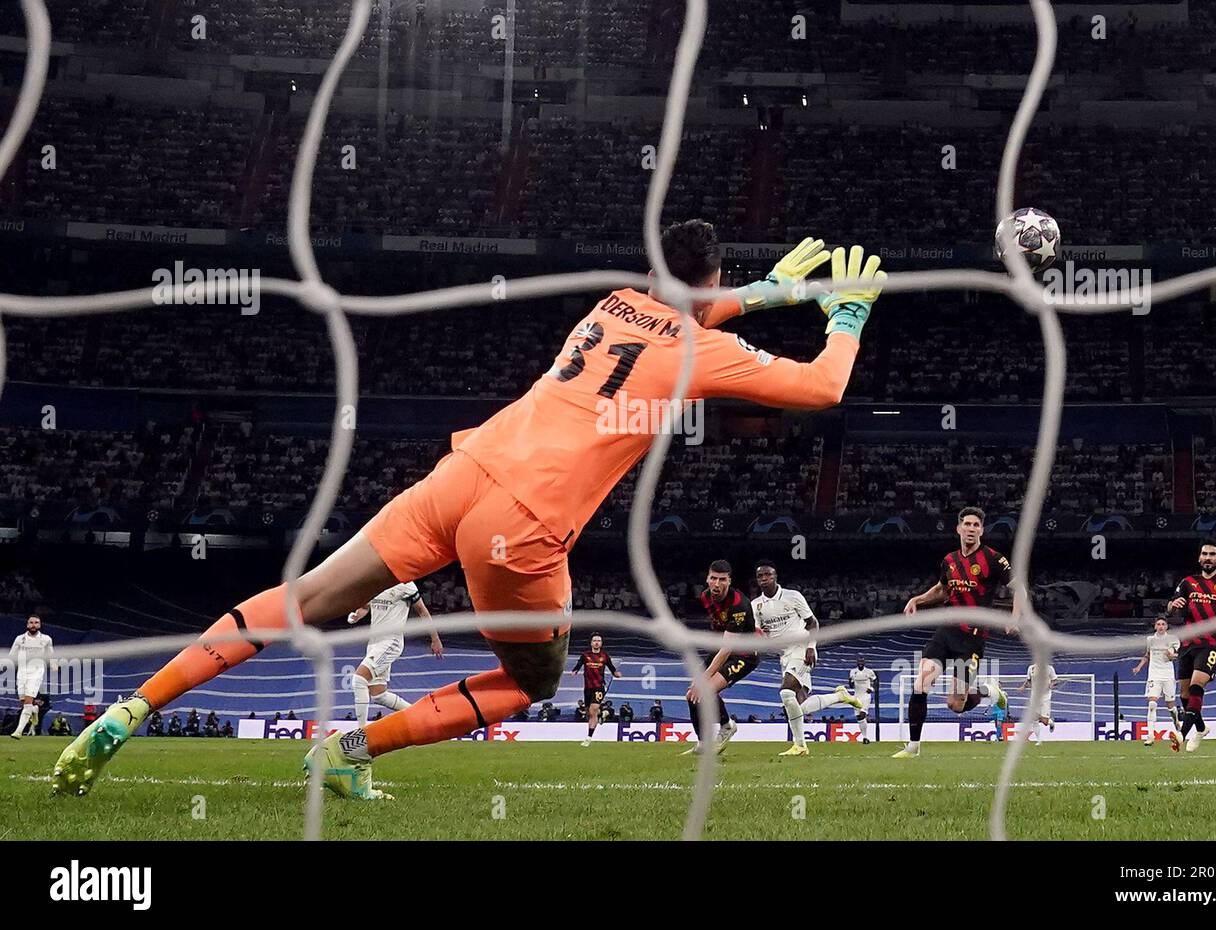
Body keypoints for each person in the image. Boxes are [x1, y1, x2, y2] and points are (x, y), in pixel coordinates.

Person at [52, 222, 886, 799]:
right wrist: (844, 313)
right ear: (708, 283)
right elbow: (823, 387)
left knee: (306, 598)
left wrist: (769, 292)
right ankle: (351, 750)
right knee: (534, 681)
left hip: (464, 469)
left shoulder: (611, 306)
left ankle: (135, 706)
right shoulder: (704, 350)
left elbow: (684, 307)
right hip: (521, 526)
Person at [894, 507, 1016, 758]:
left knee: (955, 704)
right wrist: (918, 599)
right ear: (958, 529)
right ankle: (913, 747)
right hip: (947, 632)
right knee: (921, 684)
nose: (971, 529)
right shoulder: (949, 561)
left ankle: (989, 691)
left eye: (976, 525)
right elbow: (942, 589)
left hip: (972, 639)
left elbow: (1020, 589)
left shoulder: (994, 559)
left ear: (981, 530)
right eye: (967, 524)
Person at [752, 560, 861, 757]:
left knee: (786, 693)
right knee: (798, 706)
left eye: (768, 574)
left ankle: (800, 746)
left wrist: (811, 646)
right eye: (760, 576)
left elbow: (813, 623)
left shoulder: (793, 597)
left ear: (775, 576)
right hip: (784, 655)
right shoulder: (756, 605)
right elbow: (759, 632)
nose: (764, 579)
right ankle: (840, 696)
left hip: (802, 648)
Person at [1165, 539, 1216, 753]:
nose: (1208, 558)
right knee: (1184, 695)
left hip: (1211, 642)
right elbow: (1171, 607)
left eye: (1212, 554)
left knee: (1195, 686)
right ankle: (1201, 729)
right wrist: (1173, 606)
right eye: (1204, 554)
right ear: (1199, 557)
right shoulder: (1187, 582)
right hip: (1187, 642)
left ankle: (1181, 734)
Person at [683, 559, 758, 755]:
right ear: (707, 579)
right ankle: (702, 743)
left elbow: (727, 648)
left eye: (722, 579)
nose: (717, 584)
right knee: (692, 695)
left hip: (744, 654)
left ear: (729, 581)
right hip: (721, 649)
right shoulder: (705, 597)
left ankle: (726, 726)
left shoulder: (738, 604)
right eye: (713, 578)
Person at [347, 582, 444, 725]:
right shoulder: (375, 582)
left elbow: (423, 611)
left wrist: (435, 639)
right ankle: (421, 718)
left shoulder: (406, 585)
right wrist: (356, 615)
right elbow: (365, 607)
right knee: (379, 694)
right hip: (374, 643)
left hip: (391, 642)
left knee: (359, 680)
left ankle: (361, 733)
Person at [1131, 616, 1181, 746]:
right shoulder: (1150, 640)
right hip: (1154, 675)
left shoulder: (1173, 639)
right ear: (1155, 626)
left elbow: (1177, 655)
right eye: (1158, 624)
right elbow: (1147, 655)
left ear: (1166, 626)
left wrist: (1172, 656)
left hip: (1168, 675)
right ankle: (1150, 736)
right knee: (1152, 704)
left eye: (1163, 624)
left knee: (1171, 706)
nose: (1160, 626)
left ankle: (1176, 722)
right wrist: (1139, 667)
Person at [571, 633, 620, 746]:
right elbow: (578, 664)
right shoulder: (585, 655)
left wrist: (616, 673)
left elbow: (612, 668)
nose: (597, 642)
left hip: (599, 687)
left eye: (599, 640)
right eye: (595, 640)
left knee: (593, 709)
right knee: (590, 712)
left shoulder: (605, 656)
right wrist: (575, 671)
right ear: (591, 643)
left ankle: (588, 738)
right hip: (587, 688)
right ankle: (602, 713)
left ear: (601, 643)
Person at [8, 615, 52, 739]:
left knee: (28, 701)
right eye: (31, 622)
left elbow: (51, 655)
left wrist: (54, 664)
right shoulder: (19, 639)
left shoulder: (46, 639)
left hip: (36, 672)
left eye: (36, 622)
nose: (34, 625)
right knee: (24, 703)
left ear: (40, 625)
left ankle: (18, 731)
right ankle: (34, 710)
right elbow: (12, 655)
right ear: (27, 625)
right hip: (22, 672)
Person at [1017, 662, 1057, 744]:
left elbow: (1055, 680)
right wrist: (1023, 687)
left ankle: (1051, 722)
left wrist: (1051, 685)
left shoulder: (1049, 668)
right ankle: (1039, 741)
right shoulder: (1031, 668)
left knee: (1045, 721)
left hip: (1045, 697)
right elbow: (1028, 680)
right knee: (1034, 719)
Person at [848, 659, 877, 743]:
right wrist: (850, 680)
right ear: (857, 663)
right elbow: (851, 685)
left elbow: (875, 681)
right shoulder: (853, 672)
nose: (860, 664)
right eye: (859, 662)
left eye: (862, 662)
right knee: (859, 718)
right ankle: (865, 737)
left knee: (862, 714)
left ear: (864, 663)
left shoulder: (869, 672)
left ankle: (865, 737)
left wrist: (872, 688)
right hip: (856, 696)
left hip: (865, 696)